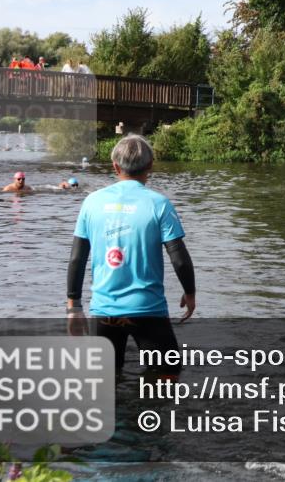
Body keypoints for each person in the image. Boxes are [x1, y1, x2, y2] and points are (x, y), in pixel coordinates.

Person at [66, 134, 196, 377]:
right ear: (150, 166)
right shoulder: (159, 204)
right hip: (147, 310)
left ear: (115, 167)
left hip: (104, 311)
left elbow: (77, 258)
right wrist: (190, 294)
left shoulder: (91, 202)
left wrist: (74, 307)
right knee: (166, 374)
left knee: (105, 382)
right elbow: (178, 256)